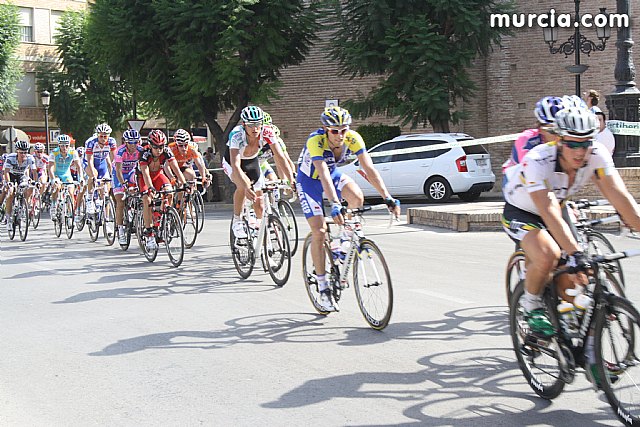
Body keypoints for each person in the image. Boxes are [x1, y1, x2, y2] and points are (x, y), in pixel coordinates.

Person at [501, 106, 640, 382]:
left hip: (557, 205)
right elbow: (547, 211)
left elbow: (622, 199)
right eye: (573, 144)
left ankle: (586, 351)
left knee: (580, 280)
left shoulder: (596, 155)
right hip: (523, 210)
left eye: (586, 143)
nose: (580, 151)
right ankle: (531, 307)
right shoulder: (539, 159)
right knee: (550, 255)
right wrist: (573, 252)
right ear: (559, 140)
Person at [296, 106, 400, 311]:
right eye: (335, 131)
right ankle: (323, 287)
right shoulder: (315, 141)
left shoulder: (353, 138)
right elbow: (323, 174)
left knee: (357, 197)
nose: (340, 135)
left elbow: (369, 168)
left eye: (343, 129)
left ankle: (344, 241)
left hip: (333, 175)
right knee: (319, 231)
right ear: (326, 129)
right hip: (309, 181)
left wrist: (387, 197)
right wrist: (335, 204)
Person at [222, 106, 294, 238]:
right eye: (251, 125)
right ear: (244, 124)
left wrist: (291, 180)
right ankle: (237, 221)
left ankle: (259, 232)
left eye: (258, 124)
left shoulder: (267, 132)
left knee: (260, 204)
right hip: (233, 163)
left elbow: (280, 157)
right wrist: (245, 185)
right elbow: (236, 165)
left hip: (251, 161)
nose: (255, 128)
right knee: (242, 187)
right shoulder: (236, 134)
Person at [136, 129, 187, 251]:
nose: (159, 150)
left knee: (169, 192)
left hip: (158, 175)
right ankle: (149, 233)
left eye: (161, 147)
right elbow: (146, 173)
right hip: (144, 177)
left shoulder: (167, 151)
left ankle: (161, 218)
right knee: (147, 199)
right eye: (156, 147)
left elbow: (176, 169)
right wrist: (150, 188)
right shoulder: (144, 153)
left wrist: (184, 184)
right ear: (150, 145)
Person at [502, 96, 564, 172]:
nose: (558, 135)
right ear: (540, 129)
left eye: (562, 130)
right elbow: (528, 171)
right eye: (552, 130)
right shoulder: (527, 139)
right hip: (516, 175)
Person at [113, 129, 144, 245]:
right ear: (126, 142)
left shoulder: (141, 150)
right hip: (119, 174)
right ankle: (120, 230)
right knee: (120, 200)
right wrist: (124, 185)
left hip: (131, 172)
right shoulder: (120, 152)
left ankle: (133, 209)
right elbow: (119, 171)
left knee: (140, 190)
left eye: (136, 142)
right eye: (131, 143)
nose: (133, 145)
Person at [3, 138, 37, 232]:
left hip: (21, 175)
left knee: (30, 188)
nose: (23, 155)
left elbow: (34, 171)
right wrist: (9, 183)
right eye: (21, 153)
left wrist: (36, 182)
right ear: (17, 152)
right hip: (11, 175)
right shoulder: (10, 157)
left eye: (25, 152)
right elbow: (6, 172)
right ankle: (9, 218)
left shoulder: (30, 158)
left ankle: (23, 206)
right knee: (10, 193)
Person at [47, 134, 83, 219]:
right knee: (57, 187)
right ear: (59, 145)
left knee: (71, 192)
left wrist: (81, 177)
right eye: (62, 146)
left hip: (66, 174)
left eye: (67, 145)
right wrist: (53, 179)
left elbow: (79, 166)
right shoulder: (54, 152)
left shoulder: (73, 152)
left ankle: (71, 214)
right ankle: (54, 204)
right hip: (56, 174)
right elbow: (50, 167)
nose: (65, 148)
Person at [84, 123, 117, 214]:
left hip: (102, 163)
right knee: (93, 175)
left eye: (105, 136)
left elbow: (114, 159)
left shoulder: (111, 142)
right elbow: (90, 160)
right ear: (97, 135)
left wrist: (114, 173)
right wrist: (94, 175)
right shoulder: (91, 142)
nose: (103, 138)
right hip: (89, 162)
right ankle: (89, 199)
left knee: (105, 184)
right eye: (101, 136)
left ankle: (104, 214)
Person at [584, 89, 615, 155]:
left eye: (587, 93)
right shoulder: (584, 109)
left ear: (590, 97)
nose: (584, 94)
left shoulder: (596, 110)